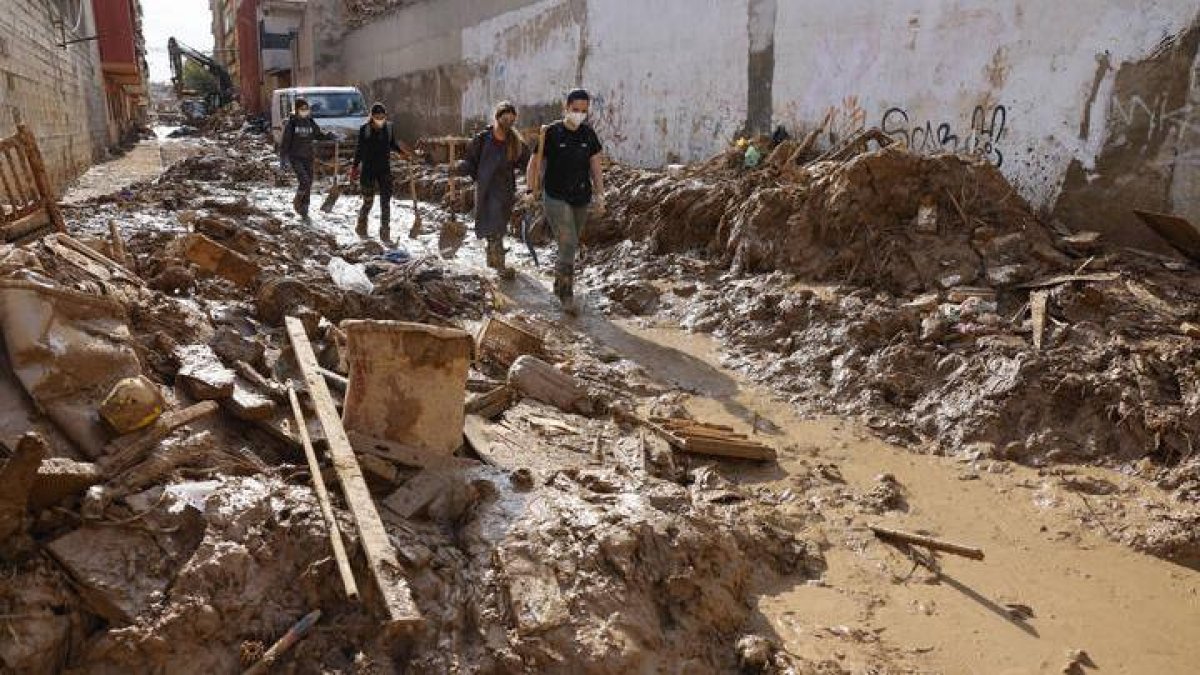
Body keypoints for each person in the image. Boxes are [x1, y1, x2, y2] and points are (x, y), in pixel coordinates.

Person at [527, 88, 605, 314]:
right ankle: (566, 293)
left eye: (583, 111)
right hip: (555, 196)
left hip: (581, 197)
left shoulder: (588, 135)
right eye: (575, 110)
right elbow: (534, 163)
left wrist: (601, 195)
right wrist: (531, 189)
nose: (579, 114)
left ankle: (558, 283)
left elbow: (596, 167)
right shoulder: (550, 133)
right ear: (566, 108)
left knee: (569, 243)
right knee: (569, 242)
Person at [455, 101, 531, 279]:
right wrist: (458, 168)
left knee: (499, 226)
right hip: (486, 190)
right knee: (493, 226)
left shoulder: (515, 142)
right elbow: (471, 161)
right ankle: (500, 267)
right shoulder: (482, 139)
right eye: (505, 119)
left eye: (512, 120)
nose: (508, 123)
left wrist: (538, 168)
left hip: (505, 190)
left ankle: (493, 260)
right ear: (497, 117)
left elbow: (527, 162)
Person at [349, 102, 409, 242]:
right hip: (368, 171)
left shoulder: (388, 128)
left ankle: (385, 232)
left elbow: (392, 144)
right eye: (377, 116)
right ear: (372, 116)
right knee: (368, 201)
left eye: (382, 116)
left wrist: (402, 153)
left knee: (385, 202)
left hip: (384, 170)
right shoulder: (365, 130)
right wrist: (354, 168)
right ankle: (361, 225)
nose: (380, 119)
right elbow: (359, 151)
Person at [278, 98, 333, 220]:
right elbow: (285, 142)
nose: (305, 111)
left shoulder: (310, 122)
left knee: (309, 182)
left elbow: (319, 135)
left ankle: (305, 207)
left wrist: (330, 136)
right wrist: (283, 158)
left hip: (308, 157)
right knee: (304, 181)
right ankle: (297, 202)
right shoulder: (291, 124)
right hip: (296, 157)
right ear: (297, 110)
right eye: (302, 109)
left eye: (306, 109)